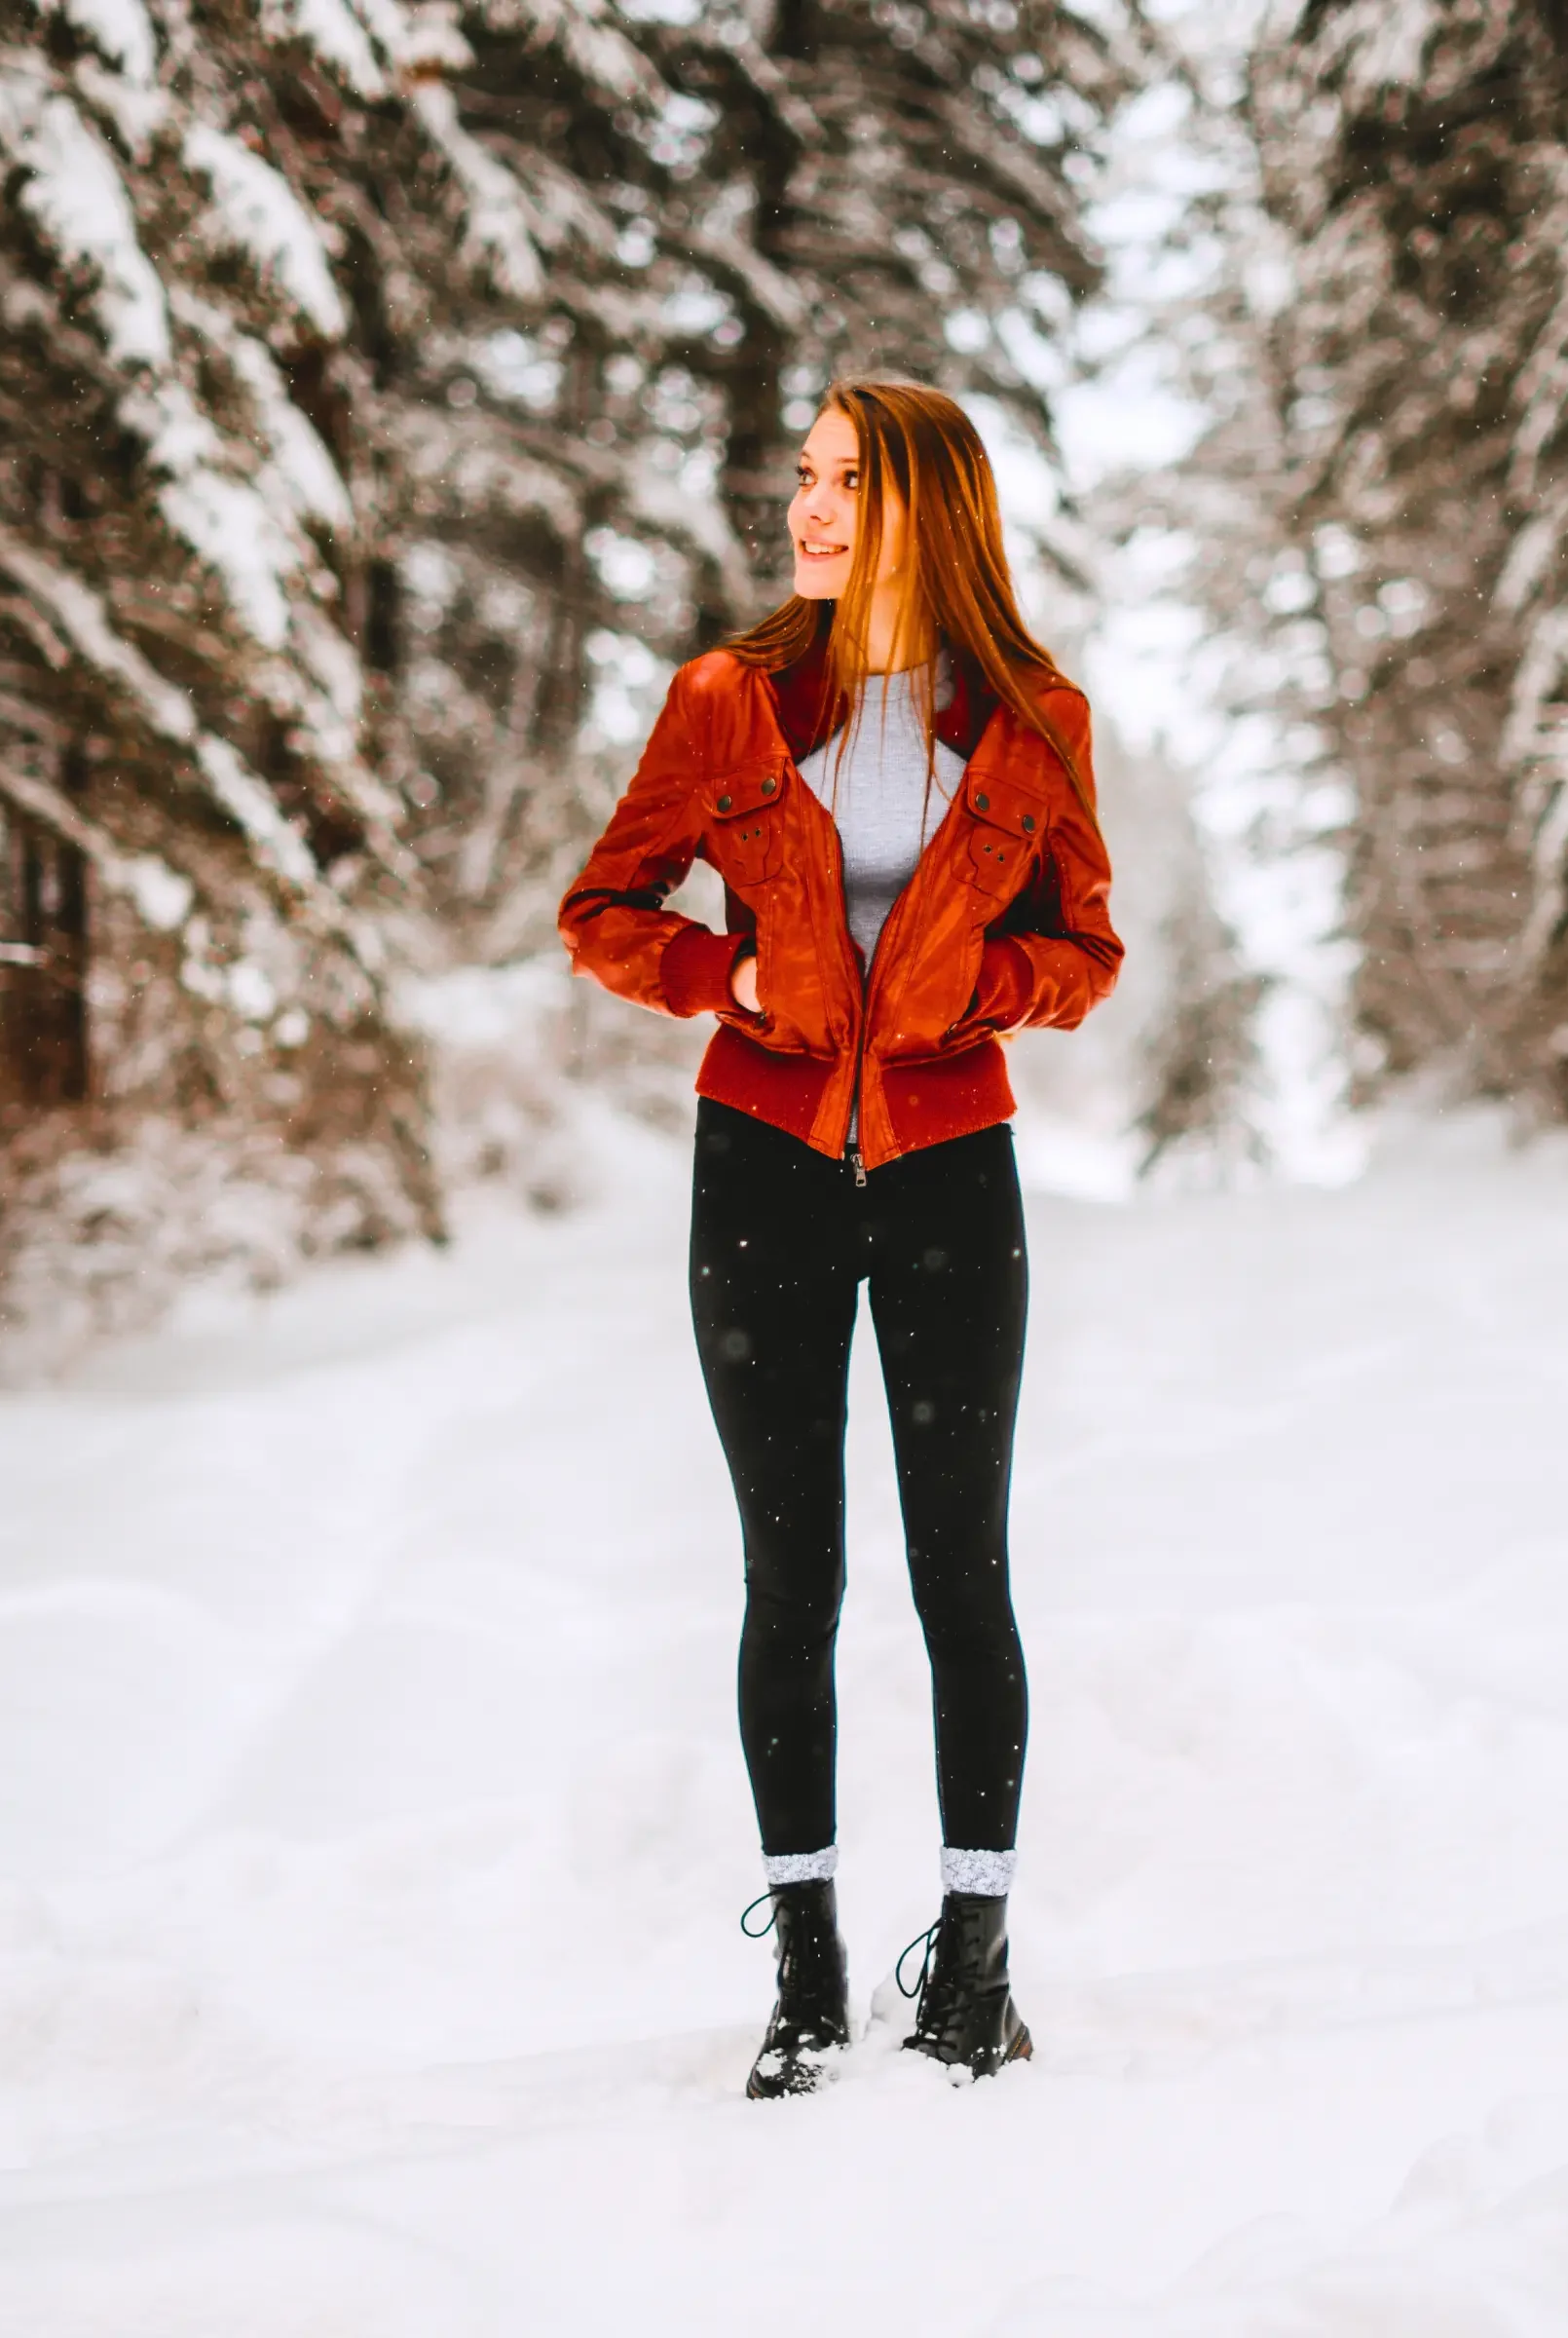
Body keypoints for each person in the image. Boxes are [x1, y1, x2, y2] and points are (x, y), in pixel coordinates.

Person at [558, 377, 1122, 2097]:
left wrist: (984, 982)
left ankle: (975, 1965)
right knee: (789, 1579)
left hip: (953, 1172)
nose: (807, 509)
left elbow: (1085, 951)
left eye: (846, 484)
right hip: (766, 1169)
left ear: (926, 512)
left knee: (965, 1574)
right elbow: (603, 907)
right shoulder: (725, 703)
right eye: (804, 477)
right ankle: (804, 1971)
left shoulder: (1034, 720)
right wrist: (719, 970)